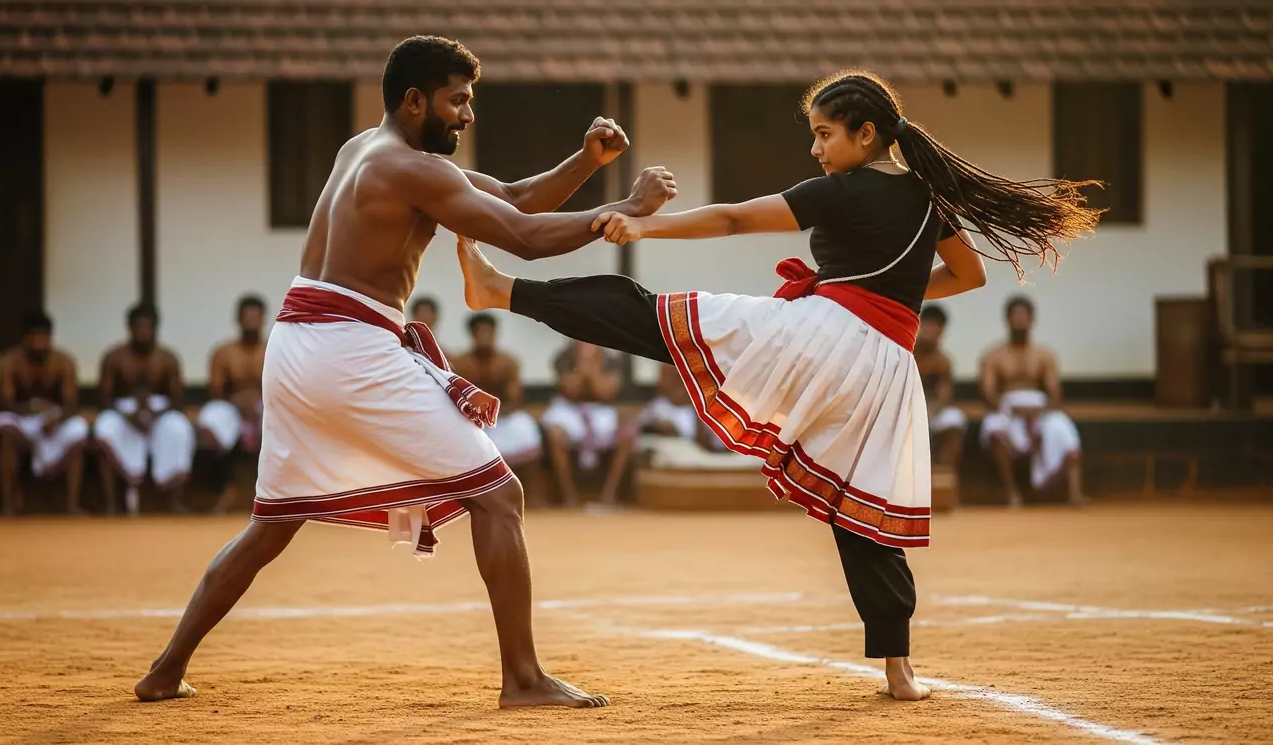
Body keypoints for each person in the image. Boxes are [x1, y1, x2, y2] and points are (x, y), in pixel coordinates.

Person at [458, 69, 1100, 701]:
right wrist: (884, 300)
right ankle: (899, 671)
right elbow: (968, 277)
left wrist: (648, 225)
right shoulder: (932, 198)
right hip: (885, 371)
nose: (816, 149)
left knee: (652, 318)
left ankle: (501, 290)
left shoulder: (842, 191)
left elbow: (735, 220)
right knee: (863, 511)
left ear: (867, 135)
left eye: (824, 135)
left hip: (822, 339)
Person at [133, 35, 674, 707]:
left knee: (272, 523)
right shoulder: (415, 171)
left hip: (298, 345)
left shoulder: (363, 149)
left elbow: (509, 196)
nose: (468, 115)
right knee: (499, 495)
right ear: (415, 101)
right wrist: (625, 213)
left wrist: (587, 163)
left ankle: (164, 669)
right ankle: (525, 679)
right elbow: (523, 238)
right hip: (352, 349)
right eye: (459, 101)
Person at [979, 295, 1085, 508]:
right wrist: (1010, 409)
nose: (1019, 321)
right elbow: (987, 392)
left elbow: (1055, 392)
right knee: (993, 428)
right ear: (1007, 320)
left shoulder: (1044, 356)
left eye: (1023, 316)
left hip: (1040, 411)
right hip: (1007, 411)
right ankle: (1012, 493)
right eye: (1015, 316)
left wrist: (1041, 411)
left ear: (1032, 320)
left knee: (1062, 427)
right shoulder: (993, 355)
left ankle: (1075, 493)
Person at [93, 303, 196, 515]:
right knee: (104, 428)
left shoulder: (167, 358)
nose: (143, 332)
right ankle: (111, 503)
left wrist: (155, 415)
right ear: (129, 328)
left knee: (180, 428)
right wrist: (128, 416)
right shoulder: (114, 357)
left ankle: (174, 501)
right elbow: (103, 398)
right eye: (138, 327)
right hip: (122, 411)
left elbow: (178, 399)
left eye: (147, 328)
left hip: (159, 411)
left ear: (155, 329)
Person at [0, 311, 90, 515]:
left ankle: (72, 504)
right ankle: (8, 505)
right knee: (5, 429)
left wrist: (55, 418)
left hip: (54, 418)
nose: (39, 342)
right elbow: (5, 402)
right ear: (24, 337)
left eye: (44, 337)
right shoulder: (10, 361)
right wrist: (28, 410)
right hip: (21, 417)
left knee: (79, 429)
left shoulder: (63, 361)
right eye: (35, 337)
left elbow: (72, 403)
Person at [449, 313, 544, 482]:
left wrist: (497, 411)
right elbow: (456, 398)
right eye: (481, 332)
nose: (485, 337)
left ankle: (535, 494)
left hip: (504, 418)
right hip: (473, 420)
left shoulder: (508, 362)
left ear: (495, 334)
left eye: (489, 332)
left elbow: (516, 399)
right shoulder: (461, 364)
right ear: (473, 335)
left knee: (527, 429)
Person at [197, 295, 268, 513]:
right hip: (231, 406)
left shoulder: (274, 347)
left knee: (289, 421)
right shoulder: (224, 352)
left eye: (256, 317)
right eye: (247, 317)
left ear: (263, 319)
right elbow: (215, 391)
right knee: (210, 420)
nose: (251, 322)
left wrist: (258, 402)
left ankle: (274, 494)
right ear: (238, 320)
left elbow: (285, 385)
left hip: (267, 404)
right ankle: (223, 488)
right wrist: (239, 403)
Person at [541, 341, 624, 506]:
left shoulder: (610, 357)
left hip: (601, 411)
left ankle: (609, 495)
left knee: (628, 434)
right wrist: (583, 366)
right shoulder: (564, 355)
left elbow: (606, 392)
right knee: (556, 435)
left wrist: (591, 370)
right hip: (568, 410)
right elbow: (571, 390)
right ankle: (569, 495)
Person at [914, 304, 967, 468]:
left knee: (955, 419)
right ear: (919, 325)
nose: (930, 331)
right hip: (905, 410)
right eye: (927, 325)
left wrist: (933, 408)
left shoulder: (943, 362)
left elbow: (945, 394)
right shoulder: (906, 353)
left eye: (935, 326)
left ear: (942, 331)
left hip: (932, 411)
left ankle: (943, 471)